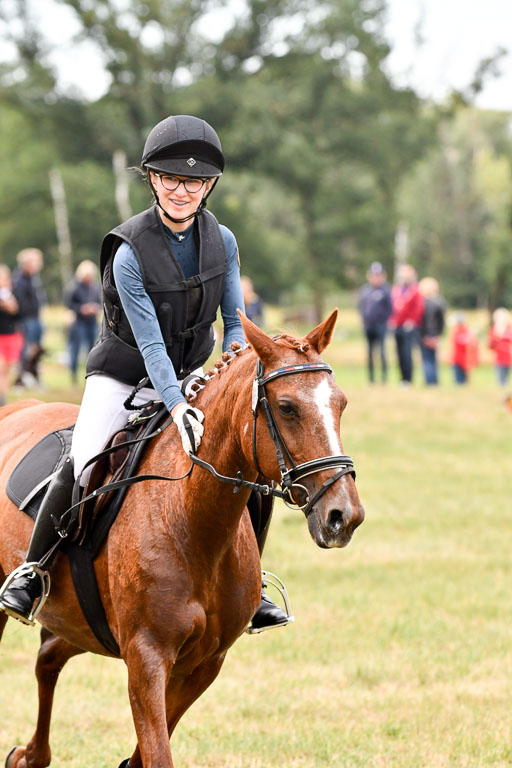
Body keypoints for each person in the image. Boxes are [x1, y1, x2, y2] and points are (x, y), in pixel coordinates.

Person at [0, 115, 290, 633]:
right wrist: (178, 405)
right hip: (122, 375)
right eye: (172, 179)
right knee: (86, 457)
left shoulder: (223, 240)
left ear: (209, 186)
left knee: (249, 456)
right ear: (153, 179)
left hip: (192, 373)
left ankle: (254, 584)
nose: (183, 191)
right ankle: (33, 570)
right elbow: (151, 343)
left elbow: (234, 323)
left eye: (195, 181)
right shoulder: (128, 250)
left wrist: (232, 368)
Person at [11, 247, 46, 388]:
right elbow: (20, 304)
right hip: (26, 320)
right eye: (36, 261)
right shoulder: (19, 280)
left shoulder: (33, 279)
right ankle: (21, 379)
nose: (38, 264)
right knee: (26, 350)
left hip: (35, 319)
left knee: (37, 350)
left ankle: (33, 376)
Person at [64, 260, 102, 383]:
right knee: (75, 348)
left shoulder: (95, 287)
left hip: (91, 322)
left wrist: (95, 308)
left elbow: (100, 303)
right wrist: (81, 309)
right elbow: (68, 304)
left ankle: (90, 374)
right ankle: (73, 375)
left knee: (92, 350)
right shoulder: (73, 287)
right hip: (78, 322)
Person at [389, 264, 424, 386]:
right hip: (397, 326)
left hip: (408, 327)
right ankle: (402, 378)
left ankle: (408, 379)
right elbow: (392, 307)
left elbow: (418, 309)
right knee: (398, 353)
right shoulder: (396, 290)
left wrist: (412, 321)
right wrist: (392, 320)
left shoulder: (415, 290)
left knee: (407, 353)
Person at [357, 262, 392, 383]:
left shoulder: (386, 290)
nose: (376, 278)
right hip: (368, 325)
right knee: (370, 353)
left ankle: (383, 377)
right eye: (373, 275)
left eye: (378, 275)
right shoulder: (365, 290)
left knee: (382, 352)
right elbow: (361, 307)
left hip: (381, 325)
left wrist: (385, 321)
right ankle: (371, 378)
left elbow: (390, 309)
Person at [0, 265, 23, 407]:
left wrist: (13, 308)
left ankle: (3, 397)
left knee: (8, 369)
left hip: (11, 334)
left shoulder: (12, 294)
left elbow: (20, 314)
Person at [418, 277, 446, 386]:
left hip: (425, 333)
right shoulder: (440, 302)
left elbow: (422, 320)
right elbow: (441, 321)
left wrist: (424, 334)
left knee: (427, 359)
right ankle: (434, 381)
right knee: (433, 358)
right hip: (435, 334)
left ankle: (429, 381)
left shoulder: (423, 303)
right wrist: (439, 333)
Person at [449, 313, 479, 385]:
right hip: (457, 359)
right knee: (459, 381)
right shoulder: (456, 331)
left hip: (465, 359)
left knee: (464, 380)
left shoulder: (467, 331)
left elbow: (472, 343)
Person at [487, 307, 512, 388]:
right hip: (498, 357)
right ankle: (501, 388)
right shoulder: (493, 329)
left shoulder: (509, 329)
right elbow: (490, 344)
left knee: (506, 375)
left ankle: (504, 387)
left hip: (508, 356)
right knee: (500, 376)